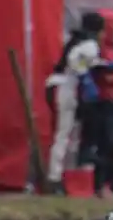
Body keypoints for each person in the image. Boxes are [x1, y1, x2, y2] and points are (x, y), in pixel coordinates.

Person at [44, 12, 105, 195]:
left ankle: (59, 175)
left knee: (62, 133)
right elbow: (74, 59)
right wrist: (85, 77)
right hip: (67, 89)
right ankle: (54, 178)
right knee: (64, 134)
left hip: (55, 85)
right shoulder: (89, 44)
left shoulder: (76, 39)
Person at [85, 8, 113, 198]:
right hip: (104, 103)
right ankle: (101, 185)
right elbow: (104, 74)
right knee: (106, 143)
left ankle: (111, 183)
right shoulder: (98, 49)